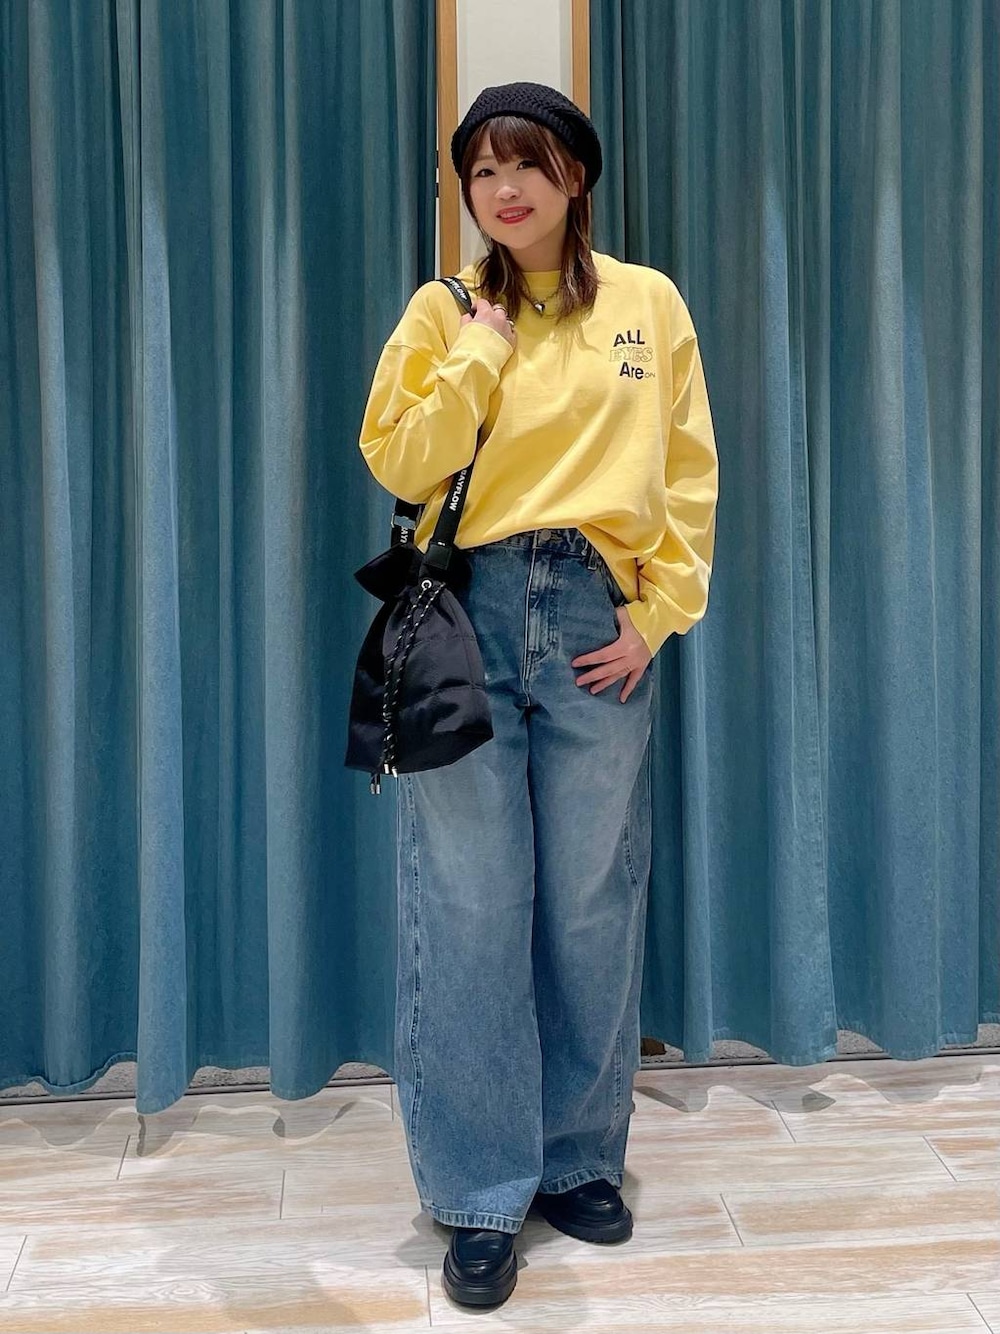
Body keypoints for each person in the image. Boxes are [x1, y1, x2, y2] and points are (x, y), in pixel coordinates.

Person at [358, 81, 719, 1309]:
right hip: (466, 612)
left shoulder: (647, 303)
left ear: (576, 175)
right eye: (482, 169)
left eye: (527, 163)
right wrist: (477, 348)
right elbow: (400, 457)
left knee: (588, 903)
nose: (503, 188)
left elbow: (687, 467)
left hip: (590, 616)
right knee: (467, 904)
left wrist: (656, 615)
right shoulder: (442, 308)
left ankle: (576, 1158)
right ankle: (477, 1188)